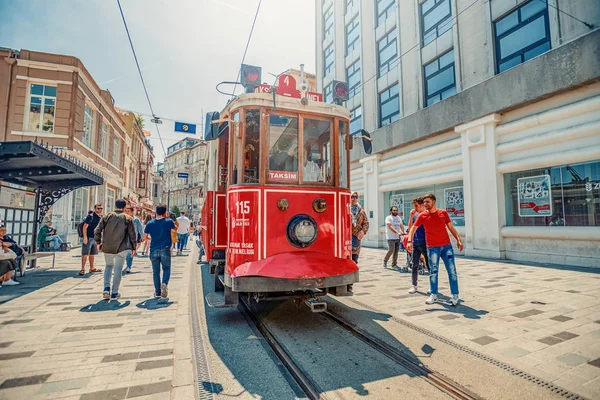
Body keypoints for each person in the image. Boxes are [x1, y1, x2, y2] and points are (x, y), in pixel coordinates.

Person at [406, 194, 463, 306]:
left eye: (427, 202)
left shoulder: (443, 213)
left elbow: (451, 227)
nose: (425, 204)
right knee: (433, 272)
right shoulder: (422, 216)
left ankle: (455, 295)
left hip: (447, 247)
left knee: (452, 271)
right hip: (432, 248)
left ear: (434, 201)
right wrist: (409, 241)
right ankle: (433, 294)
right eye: (424, 202)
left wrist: (458, 239)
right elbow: (413, 228)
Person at [94, 199, 137, 300]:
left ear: (115, 205)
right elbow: (132, 234)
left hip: (108, 246)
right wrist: (133, 247)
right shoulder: (128, 218)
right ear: (124, 207)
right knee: (118, 269)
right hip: (122, 247)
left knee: (108, 266)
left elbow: (97, 230)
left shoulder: (107, 216)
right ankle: (114, 292)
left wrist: (98, 242)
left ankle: (106, 288)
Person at [144, 204, 176, 298]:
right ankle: (164, 283)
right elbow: (175, 229)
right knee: (166, 268)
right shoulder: (168, 221)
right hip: (165, 248)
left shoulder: (150, 223)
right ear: (165, 212)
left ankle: (157, 292)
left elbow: (144, 237)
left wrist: (151, 238)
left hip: (154, 249)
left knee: (156, 271)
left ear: (156, 212)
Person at [408, 197, 429, 294]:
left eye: (416, 205)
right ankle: (414, 285)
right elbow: (410, 228)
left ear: (421, 205)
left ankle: (432, 286)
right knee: (414, 264)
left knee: (429, 265)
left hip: (425, 243)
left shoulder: (427, 214)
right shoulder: (415, 214)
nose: (415, 207)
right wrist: (411, 217)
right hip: (416, 243)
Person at [80, 204, 103, 276]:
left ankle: (91, 268)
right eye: (98, 208)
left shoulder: (100, 217)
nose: (100, 210)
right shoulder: (91, 216)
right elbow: (84, 227)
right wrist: (85, 237)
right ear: (95, 208)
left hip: (95, 238)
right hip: (89, 237)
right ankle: (82, 269)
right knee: (85, 253)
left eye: (101, 208)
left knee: (92, 253)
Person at [350, 192, 369, 264]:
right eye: (352, 196)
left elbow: (366, 223)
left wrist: (363, 231)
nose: (354, 198)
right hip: (346, 237)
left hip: (356, 237)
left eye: (356, 197)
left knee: (354, 259)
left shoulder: (361, 211)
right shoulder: (344, 208)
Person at [124, 206, 144, 273]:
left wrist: (142, 237)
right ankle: (126, 264)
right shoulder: (122, 219)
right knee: (125, 253)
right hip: (123, 238)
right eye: (126, 211)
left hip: (132, 239)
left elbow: (140, 229)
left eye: (128, 211)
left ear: (132, 212)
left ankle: (128, 266)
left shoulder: (136, 220)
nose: (126, 212)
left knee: (130, 253)